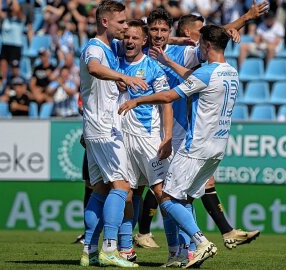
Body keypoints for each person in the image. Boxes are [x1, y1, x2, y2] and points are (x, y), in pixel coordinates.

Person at [135, 3, 267, 254]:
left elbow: (214, 40)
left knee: (168, 190)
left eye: (164, 29)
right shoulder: (136, 48)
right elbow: (122, 36)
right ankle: (136, 237)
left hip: (178, 130)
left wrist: (245, 19)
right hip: (144, 126)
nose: (159, 34)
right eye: (154, 29)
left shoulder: (182, 53)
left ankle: (182, 249)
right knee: (140, 189)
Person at [119, 24, 238, 268]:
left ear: (206, 45)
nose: (198, 49)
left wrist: (137, 100)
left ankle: (200, 242)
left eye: (200, 44)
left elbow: (168, 97)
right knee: (184, 200)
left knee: (168, 198)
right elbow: (193, 78)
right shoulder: (230, 72)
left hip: (196, 146)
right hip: (217, 148)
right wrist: (167, 60)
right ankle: (185, 255)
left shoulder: (207, 72)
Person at [78, 0, 148, 268]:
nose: (124, 26)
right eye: (121, 22)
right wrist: (124, 77)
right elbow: (94, 68)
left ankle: (89, 250)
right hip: (104, 128)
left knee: (99, 191)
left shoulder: (112, 47)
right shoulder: (94, 47)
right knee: (122, 187)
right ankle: (110, 248)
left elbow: (140, 37)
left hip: (97, 127)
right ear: (105, 22)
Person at [116, 19, 173, 262]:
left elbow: (166, 102)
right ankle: (126, 248)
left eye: (135, 37)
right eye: (126, 37)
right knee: (126, 193)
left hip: (147, 137)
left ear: (143, 40)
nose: (129, 41)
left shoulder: (153, 68)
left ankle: (181, 249)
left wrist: (167, 136)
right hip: (121, 138)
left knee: (162, 193)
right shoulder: (114, 62)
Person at [0, 0, 24, 81]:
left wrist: (13, 1)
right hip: (5, 45)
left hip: (15, 45)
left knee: (15, 70)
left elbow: (17, 10)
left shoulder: (20, 18)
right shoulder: (6, 18)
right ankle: (4, 84)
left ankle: (15, 84)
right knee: (3, 69)